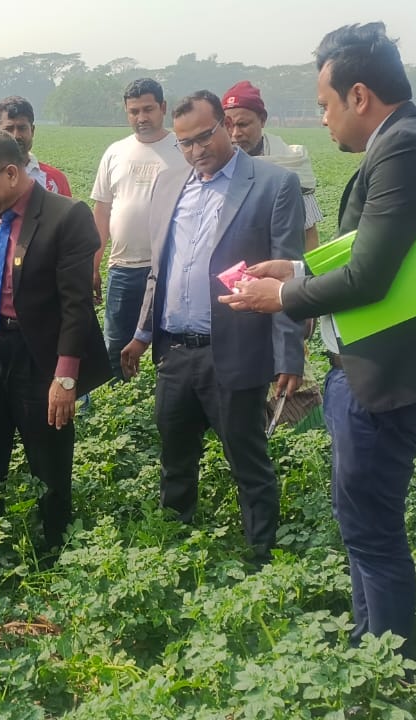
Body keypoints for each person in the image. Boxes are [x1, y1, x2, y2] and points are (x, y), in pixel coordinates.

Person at [222, 22, 416, 656]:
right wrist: (299, 268)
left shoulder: (406, 147)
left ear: (359, 96)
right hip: (373, 373)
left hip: (386, 380)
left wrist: (282, 296)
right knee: (362, 523)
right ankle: (371, 644)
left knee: (371, 530)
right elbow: (377, 254)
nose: (323, 118)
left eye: (325, 104)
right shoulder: (404, 142)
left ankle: (384, 660)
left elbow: (370, 275)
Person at [118, 91, 306, 564]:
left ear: (225, 125)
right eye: (185, 143)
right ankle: (174, 549)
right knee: (175, 458)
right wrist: (142, 333)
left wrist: (289, 355)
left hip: (235, 350)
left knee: (247, 459)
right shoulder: (169, 184)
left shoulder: (273, 184)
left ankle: (261, 556)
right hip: (175, 352)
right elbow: (158, 270)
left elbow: (287, 275)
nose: (197, 150)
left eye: (205, 137)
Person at [0, 130, 110, 553]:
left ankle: (54, 548)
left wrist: (65, 378)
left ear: (11, 173)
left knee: (47, 460)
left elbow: (76, 305)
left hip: (40, 356)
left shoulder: (66, 216)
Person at [91, 79, 189, 380]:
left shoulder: (182, 149)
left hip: (170, 267)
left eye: (148, 109)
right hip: (123, 267)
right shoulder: (116, 152)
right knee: (115, 344)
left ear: (163, 108)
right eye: (134, 111)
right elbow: (102, 211)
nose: (141, 117)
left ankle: (164, 398)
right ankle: (120, 391)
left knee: (170, 345)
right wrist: (93, 264)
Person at [221, 80, 325, 251]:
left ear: (262, 120)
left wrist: (304, 266)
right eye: (228, 126)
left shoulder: (290, 162)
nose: (235, 134)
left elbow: (308, 233)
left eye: (243, 124)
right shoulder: (217, 165)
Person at [0, 96, 71, 197]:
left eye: (22, 128)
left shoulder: (55, 180)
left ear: (32, 131)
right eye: (8, 129)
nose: (16, 135)